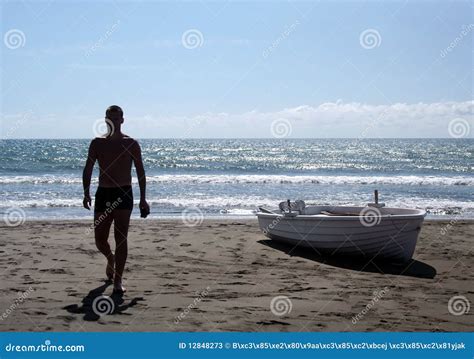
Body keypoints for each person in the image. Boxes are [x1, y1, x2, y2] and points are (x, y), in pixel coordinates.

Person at [82, 105, 150, 293]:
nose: (112, 121)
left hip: (123, 194)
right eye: (109, 118)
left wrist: (143, 199)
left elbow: (141, 172)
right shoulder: (97, 143)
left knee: (121, 238)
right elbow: (88, 168)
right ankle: (110, 258)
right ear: (105, 120)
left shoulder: (131, 143)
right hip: (104, 193)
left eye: (116, 118)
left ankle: (118, 281)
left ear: (122, 120)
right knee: (99, 239)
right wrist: (86, 192)